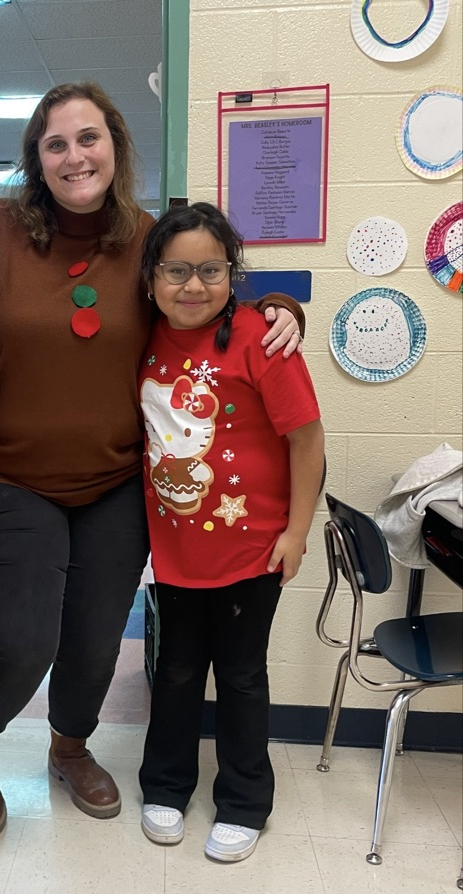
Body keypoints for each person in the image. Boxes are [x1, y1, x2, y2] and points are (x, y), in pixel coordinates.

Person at [0, 82, 305, 838]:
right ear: (36, 159)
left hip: (115, 481)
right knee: (25, 638)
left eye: (90, 138)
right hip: (9, 478)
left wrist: (283, 311)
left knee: (95, 639)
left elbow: (204, 295)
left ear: (116, 145)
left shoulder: (146, 237)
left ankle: (69, 748)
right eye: (56, 143)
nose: (75, 155)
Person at [136, 202, 324, 862]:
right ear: (152, 277)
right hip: (173, 552)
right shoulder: (141, 338)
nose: (193, 286)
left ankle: (244, 800)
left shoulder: (261, 339)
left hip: (252, 550)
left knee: (242, 675)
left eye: (210, 270)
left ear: (232, 274)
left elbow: (306, 440)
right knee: (176, 671)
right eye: (177, 270)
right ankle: (165, 785)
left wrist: (298, 532)